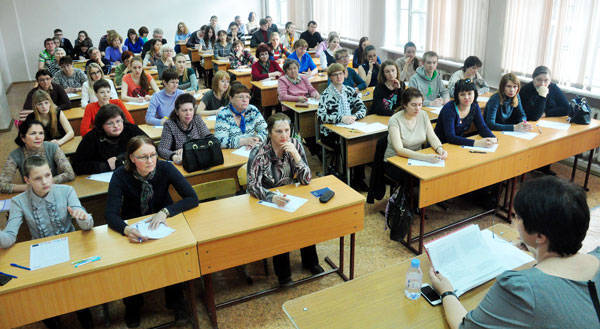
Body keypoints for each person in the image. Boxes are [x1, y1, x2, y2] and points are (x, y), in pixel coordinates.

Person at [429, 175, 600, 329]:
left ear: (540, 236)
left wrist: (447, 291)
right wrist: (536, 250)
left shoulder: (521, 287)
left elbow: (464, 326)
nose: (516, 223)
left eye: (519, 218)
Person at [105, 135, 198, 328]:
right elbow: (110, 214)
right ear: (131, 158)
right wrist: (126, 229)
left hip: (163, 223)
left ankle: (175, 300)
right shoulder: (121, 175)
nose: (150, 161)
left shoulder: (165, 168)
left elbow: (192, 198)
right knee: (131, 263)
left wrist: (166, 211)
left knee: (174, 255)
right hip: (135, 226)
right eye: (143, 157)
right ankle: (133, 305)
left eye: (153, 155)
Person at [0, 156, 94, 329]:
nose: (45, 182)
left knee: (78, 290)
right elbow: (9, 239)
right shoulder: (18, 201)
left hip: (70, 247)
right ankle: (52, 320)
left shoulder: (66, 191)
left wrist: (83, 217)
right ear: (27, 180)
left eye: (48, 175)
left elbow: (88, 225)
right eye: (37, 178)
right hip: (41, 253)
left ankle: (84, 316)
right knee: (41, 296)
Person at [247, 113, 324, 285]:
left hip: (290, 194)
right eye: (278, 131)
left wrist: (297, 156)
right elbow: (252, 185)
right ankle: (283, 274)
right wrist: (271, 197)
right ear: (269, 133)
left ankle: (310, 262)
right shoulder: (259, 152)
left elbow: (306, 180)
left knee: (306, 219)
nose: (284, 135)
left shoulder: (294, 144)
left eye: (287, 130)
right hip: (266, 198)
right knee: (280, 227)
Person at [317, 63, 368, 189]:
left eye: (341, 73)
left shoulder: (350, 90)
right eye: (335, 75)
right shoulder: (326, 94)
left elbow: (362, 108)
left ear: (344, 75)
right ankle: (345, 178)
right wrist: (340, 118)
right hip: (330, 133)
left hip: (348, 127)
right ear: (330, 78)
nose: (338, 77)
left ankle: (358, 179)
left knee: (360, 143)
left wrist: (355, 116)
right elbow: (320, 116)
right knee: (345, 144)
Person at [384, 87, 447, 180]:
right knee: (417, 179)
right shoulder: (395, 120)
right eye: (413, 105)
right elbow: (399, 150)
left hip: (416, 158)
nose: (418, 108)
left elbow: (432, 137)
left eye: (420, 104)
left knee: (437, 175)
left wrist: (440, 149)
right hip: (395, 161)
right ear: (405, 105)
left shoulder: (423, 115)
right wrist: (425, 158)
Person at [0, 119, 75, 193]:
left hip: (53, 189)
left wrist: (44, 183)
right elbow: (1, 185)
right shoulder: (15, 155)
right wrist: (30, 187)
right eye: (33, 133)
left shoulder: (53, 147)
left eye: (41, 133)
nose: (38, 137)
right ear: (23, 138)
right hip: (31, 194)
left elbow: (70, 174)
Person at [72, 104, 146, 175]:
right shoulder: (91, 137)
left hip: (131, 173)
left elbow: (150, 146)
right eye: (110, 123)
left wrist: (125, 159)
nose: (116, 126)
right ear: (101, 125)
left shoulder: (131, 129)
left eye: (118, 121)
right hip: (102, 178)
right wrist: (105, 166)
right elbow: (77, 165)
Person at [434, 79, 497, 147]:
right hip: (440, 145)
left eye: (469, 93)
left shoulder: (474, 106)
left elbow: (482, 127)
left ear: (475, 94)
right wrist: (476, 143)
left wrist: (493, 138)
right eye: (462, 94)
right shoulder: (449, 109)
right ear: (457, 96)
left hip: (457, 145)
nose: (466, 97)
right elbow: (451, 137)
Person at [158, 94, 211, 164]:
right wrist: (173, 156)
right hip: (181, 162)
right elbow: (162, 149)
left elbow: (209, 138)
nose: (188, 113)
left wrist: (188, 149)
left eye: (191, 110)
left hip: (198, 159)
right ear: (177, 112)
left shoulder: (197, 119)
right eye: (184, 110)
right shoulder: (170, 125)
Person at [215, 82, 267, 148]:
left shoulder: (252, 110)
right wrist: (244, 141)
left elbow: (266, 130)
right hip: (231, 153)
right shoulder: (223, 114)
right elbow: (220, 141)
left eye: (247, 97)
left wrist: (257, 138)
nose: (245, 100)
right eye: (240, 97)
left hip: (250, 150)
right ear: (231, 98)